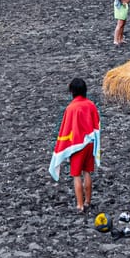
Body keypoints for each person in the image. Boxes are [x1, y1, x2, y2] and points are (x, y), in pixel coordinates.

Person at [52, 77, 101, 214]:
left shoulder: (71, 108)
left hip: (77, 146)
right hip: (90, 143)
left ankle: (80, 205)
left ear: (72, 91)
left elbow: (66, 129)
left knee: (76, 175)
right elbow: (97, 125)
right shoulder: (91, 105)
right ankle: (88, 201)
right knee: (87, 172)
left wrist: (61, 147)